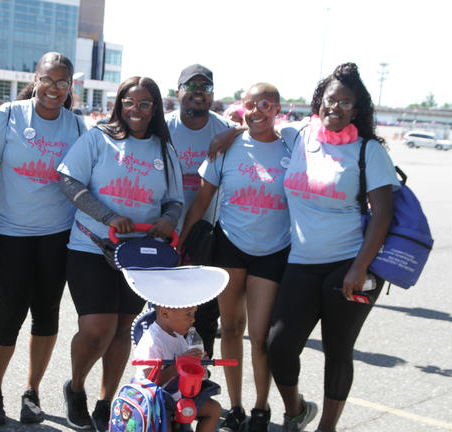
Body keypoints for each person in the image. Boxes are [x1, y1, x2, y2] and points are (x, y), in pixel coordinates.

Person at [265, 63, 400, 432]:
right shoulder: (298, 136)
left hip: (349, 265)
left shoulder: (368, 150)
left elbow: (384, 214)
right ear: (318, 101)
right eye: (330, 100)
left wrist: (359, 268)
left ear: (357, 109)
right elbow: (259, 132)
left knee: (337, 351)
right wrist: (228, 137)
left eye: (345, 102)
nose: (335, 108)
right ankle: (297, 411)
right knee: (278, 345)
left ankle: (327, 427)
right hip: (301, 261)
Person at [57, 76, 184, 432]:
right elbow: (68, 181)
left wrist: (167, 219)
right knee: (98, 328)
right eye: (130, 102)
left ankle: (106, 401)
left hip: (140, 253)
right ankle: (76, 387)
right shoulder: (98, 138)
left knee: (122, 330)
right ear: (120, 103)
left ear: (155, 108)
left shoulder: (164, 150)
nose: (136, 110)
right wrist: (108, 216)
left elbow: (175, 200)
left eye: (145, 104)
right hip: (91, 245)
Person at [0, 52, 87, 425]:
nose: (53, 88)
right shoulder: (8, 115)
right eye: (47, 79)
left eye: (62, 82)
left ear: (70, 86)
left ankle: (32, 391)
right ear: (35, 79)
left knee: (46, 315)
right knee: (8, 315)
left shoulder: (77, 126)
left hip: (57, 235)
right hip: (9, 233)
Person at [178, 83, 291, 432]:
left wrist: (238, 127)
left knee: (259, 336)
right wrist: (180, 246)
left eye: (266, 105)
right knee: (229, 327)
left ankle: (260, 408)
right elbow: (201, 200)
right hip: (230, 246)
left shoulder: (292, 144)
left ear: (277, 108)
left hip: (272, 250)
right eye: (250, 105)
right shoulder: (226, 148)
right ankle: (236, 407)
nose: (258, 111)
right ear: (241, 107)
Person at [165, 64, 237, 378]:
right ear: (178, 91)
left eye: (205, 87)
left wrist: (237, 130)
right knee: (164, 314)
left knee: (204, 317)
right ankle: (162, 380)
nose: (198, 91)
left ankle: (199, 381)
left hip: (205, 238)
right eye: (191, 85)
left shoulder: (224, 127)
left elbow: (265, 128)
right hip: (165, 232)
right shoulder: (163, 127)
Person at [134, 305, 221, 432]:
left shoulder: (179, 337)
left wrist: (198, 364)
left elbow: (186, 370)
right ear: (165, 313)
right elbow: (150, 379)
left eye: (194, 313)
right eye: (188, 314)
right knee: (164, 425)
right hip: (156, 400)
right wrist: (179, 363)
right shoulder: (152, 341)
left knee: (213, 409)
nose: (193, 319)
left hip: (177, 396)